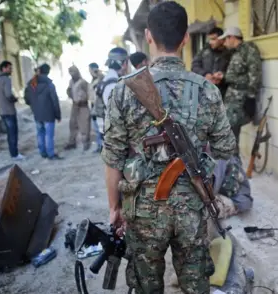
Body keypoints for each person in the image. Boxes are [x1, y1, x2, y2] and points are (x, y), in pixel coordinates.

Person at [101, 2, 236, 293]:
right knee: (195, 284)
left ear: (148, 36)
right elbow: (226, 148)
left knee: (146, 285)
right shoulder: (207, 90)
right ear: (185, 38)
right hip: (192, 208)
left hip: (143, 210)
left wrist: (115, 208)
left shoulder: (123, 90)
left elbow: (113, 158)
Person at [214, 27, 262, 157]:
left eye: (226, 39)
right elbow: (237, 75)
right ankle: (231, 163)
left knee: (232, 134)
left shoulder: (249, 51)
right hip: (231, 99)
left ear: (232, 37)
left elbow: (254, 75)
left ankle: (234, 166)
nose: (224, 43)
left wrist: (251, 97)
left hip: (240, 99)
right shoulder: (235, 52)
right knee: (228, 133)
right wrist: (223, 76)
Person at [24, 63, 62, 160]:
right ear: (48, 72)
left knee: (40, 133)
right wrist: (58, 115)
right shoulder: (49, 84)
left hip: (37, 113)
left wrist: (34, 106)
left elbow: (27, 99)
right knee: (49, 135)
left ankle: (43, 152)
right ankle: (51, 154)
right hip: (49, 114)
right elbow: (54, 101)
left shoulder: (31, 84)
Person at [0, 60, 25, 160]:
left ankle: (13, 152)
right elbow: (8, 95)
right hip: (8, 110)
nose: (11, 70)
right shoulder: (6, 79)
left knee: (9, 132)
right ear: (4, 68)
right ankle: (14, 154)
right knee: (13, 132)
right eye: (10, 68)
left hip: (0, 110)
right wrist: (15, 99)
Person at [191, 27, 233, 98]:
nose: (210, 42)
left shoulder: (229, 53)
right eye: (209, 39)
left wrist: (222, 77)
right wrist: (205, 74)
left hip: (224, 94)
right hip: (205, 92)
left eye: (213, 39)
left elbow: (234, 73)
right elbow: (194, 66)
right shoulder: (204, 51)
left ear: (221, 39)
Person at [65, 65, 91, 151]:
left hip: (83, 105)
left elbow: (88, 93)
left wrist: (83, 99)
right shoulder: (70, 82)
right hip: (75, 105)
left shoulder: (83, 82)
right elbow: (70, 91)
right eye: (70, 72)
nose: (72, 74)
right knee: (72, 124)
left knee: (84, 125)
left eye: (73, 72)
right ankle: (72, 142)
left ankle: (86, 143)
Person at [88, 62, 105, 153]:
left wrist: (98, 73)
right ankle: (99, 145)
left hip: (98, 106)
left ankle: (102, 146)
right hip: (93, 106)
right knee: (96, 128)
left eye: (90, 70)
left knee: (101, 127)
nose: (90, 72)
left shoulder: (100, 78)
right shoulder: (92, 80)